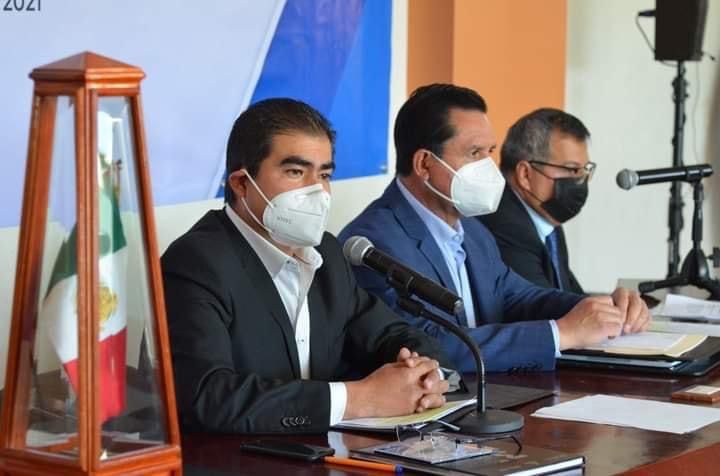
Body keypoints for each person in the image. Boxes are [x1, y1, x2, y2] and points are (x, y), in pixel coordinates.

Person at [162, 98, 455, 434]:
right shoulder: (195, 263)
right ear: (242, 183)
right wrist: (359, 399)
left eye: (325, 174)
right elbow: (207, 396)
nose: (317, 190)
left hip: (326, 450)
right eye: (296, 172)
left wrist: (424, 376)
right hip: (232, 456)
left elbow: (391, 335)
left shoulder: (326, 252)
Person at [338, 84, 650, 373]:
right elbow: (425, 346)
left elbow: (519, 297)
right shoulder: (373, 244)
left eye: (490, 151)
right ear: (424, 164)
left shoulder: (474, 230)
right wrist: (561, 333)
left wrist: (601, 309)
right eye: (475, 153)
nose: (489, 167)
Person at [479, 108, 591, 295]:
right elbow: (542, 305)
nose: (580, 180)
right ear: (525, 174)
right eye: (571, 169)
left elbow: (572, 295)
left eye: (585, 170)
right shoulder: (505, 226)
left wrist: (617, 305)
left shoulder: (547, 220)